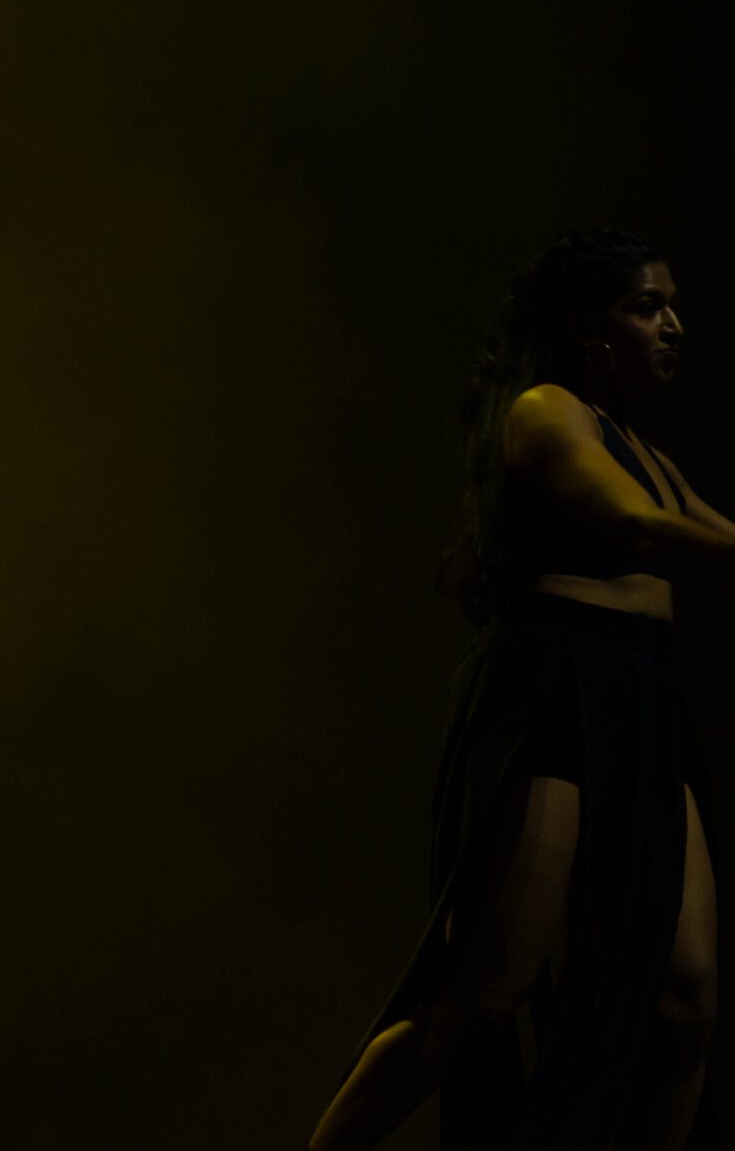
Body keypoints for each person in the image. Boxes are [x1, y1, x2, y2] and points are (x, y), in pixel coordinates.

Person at [310, 230, 735, 1150]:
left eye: (672, 305)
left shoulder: (643, 446)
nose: (674, 325)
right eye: (648, 307)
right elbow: (636, 528)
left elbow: (717, 536)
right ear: (588, 329)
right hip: (554, 685)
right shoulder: (547, 411)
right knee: (479, 994)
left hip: (641, 698)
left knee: (686, 998)